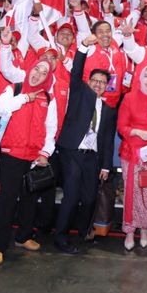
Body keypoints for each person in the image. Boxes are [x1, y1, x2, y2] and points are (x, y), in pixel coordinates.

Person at [52, 34, 117, 254]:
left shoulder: (108, 109)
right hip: (71, 152)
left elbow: (108, 140)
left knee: (89, 198)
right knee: (72, 196)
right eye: (95, 81)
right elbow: (77, 70)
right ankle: (60, 237)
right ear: (89, 83)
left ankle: (82, 231)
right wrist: (83, 47)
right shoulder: (80, 93)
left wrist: (106, 166)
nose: (98, 85)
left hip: (92, 157)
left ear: (107, 86)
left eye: (103, 82)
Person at [0, 60, 57, 266]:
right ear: (29, 69)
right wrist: (25, 98)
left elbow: (51, 128)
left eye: (44, 73)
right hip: (12, 155)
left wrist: (45, 152)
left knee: (29, 201)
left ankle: (23, 237)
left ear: (47, 79)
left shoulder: (48, 98)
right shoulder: (14, 89)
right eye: (37, 69)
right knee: (6, 202)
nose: (38, 74)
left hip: (34, 158)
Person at [117, 65, 147, 250]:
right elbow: (122, 126)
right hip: (131, 153)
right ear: (140, 78)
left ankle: (145, 228)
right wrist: (137, 131)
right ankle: (129, 230)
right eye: (146, 76)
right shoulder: (129, 98)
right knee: (131, 193)